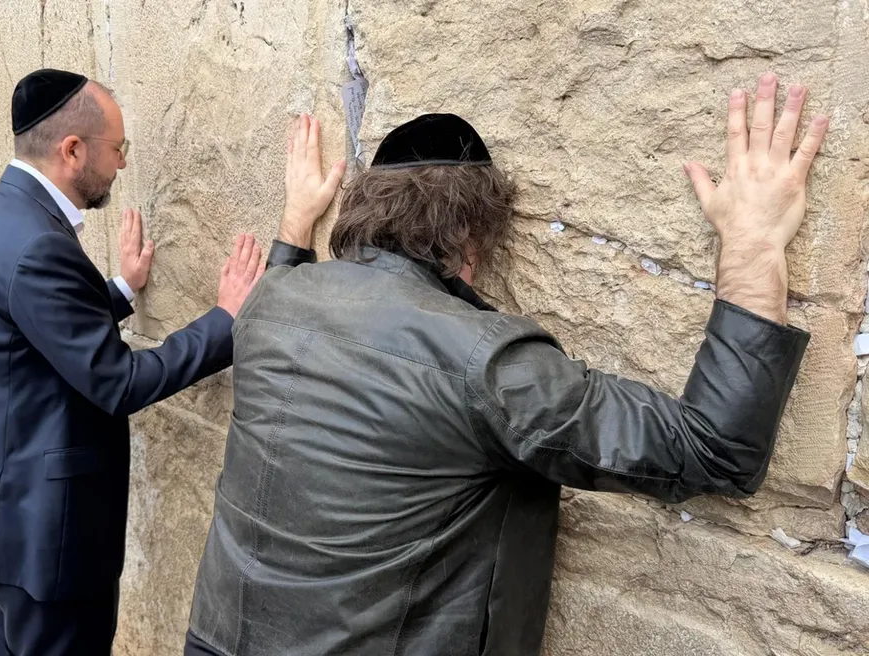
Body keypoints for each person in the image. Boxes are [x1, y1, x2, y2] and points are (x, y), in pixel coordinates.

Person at [183, 73, 827, 656]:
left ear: (361, 212)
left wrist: (296, 221)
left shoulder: (268, 302)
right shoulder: (483, 361)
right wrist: (752, 243)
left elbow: (287, 286)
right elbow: (713, 449)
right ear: (473, 236)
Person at [0, 68, 265, 656]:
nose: (122, 163)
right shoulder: (39, 244)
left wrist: (119, 288)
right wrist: (224, 319)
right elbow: (118, 382)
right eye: (117, 147)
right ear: (72, 150)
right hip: (43, 538)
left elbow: (26, 328)